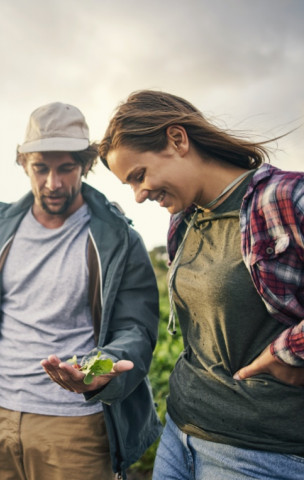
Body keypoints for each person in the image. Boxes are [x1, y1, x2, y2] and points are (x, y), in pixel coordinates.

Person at [0, 102, 162, 480]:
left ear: (86, 165)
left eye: (66, 168)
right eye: (41, 168)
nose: (53, 183)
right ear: (24, 164)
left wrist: (103, 367)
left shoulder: (119, 239)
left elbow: (136, 331)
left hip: (76, 426)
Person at [98, 89, 304, 480]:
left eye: (139, 176)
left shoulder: (286, 198)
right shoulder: (184, 220)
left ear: (177, 139)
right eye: (130, 185)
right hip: (180, 435)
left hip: (261, 454)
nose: (139, 196)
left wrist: (289, 351)